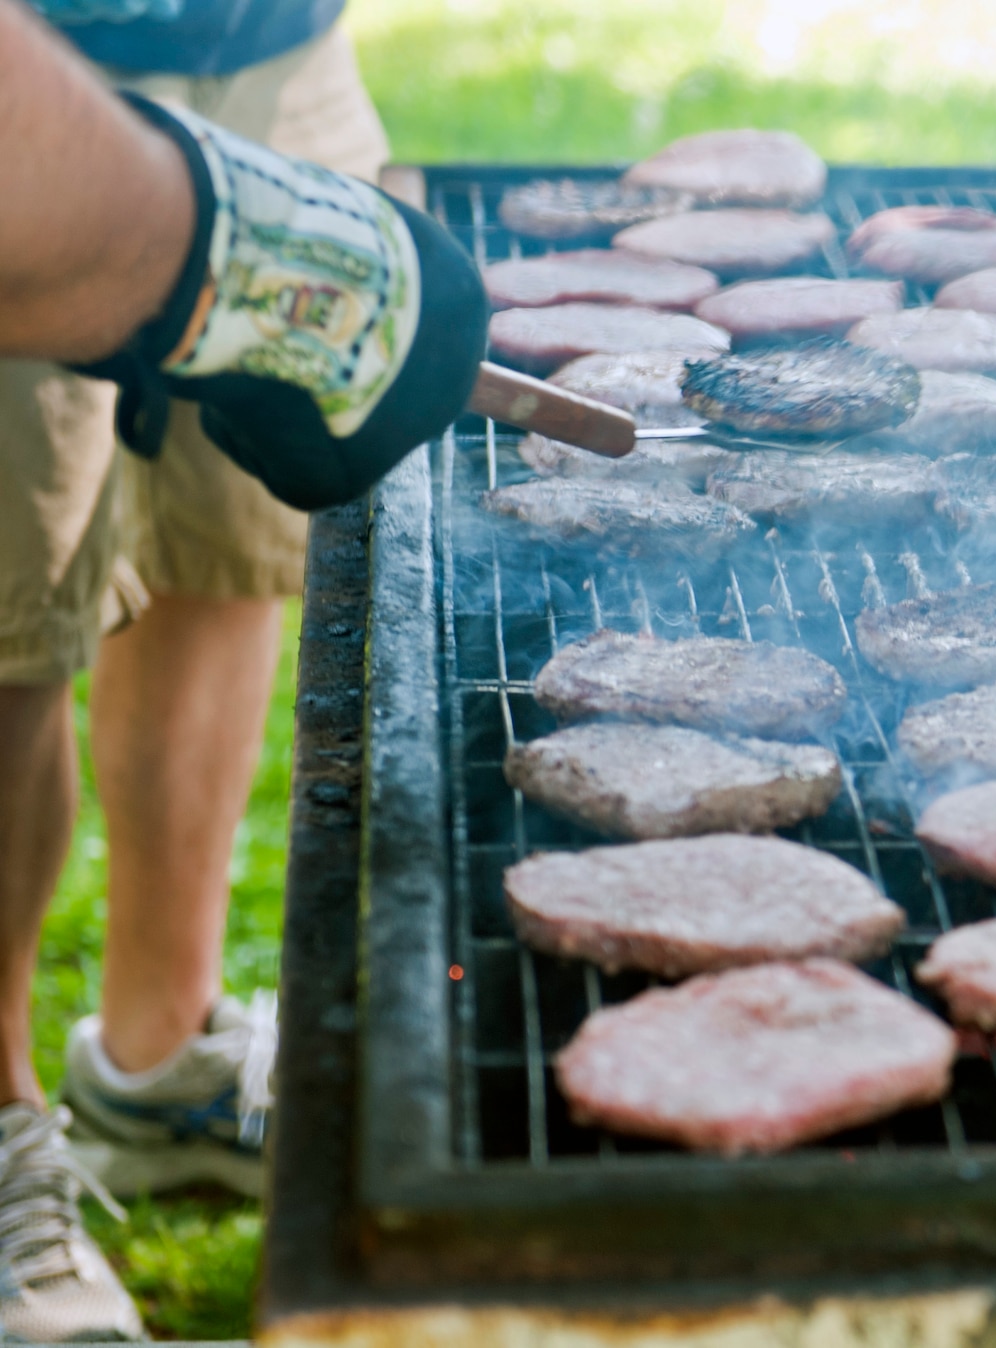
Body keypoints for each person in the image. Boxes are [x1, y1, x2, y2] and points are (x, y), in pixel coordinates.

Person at [0, 1, 484, 1336]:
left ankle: (160, 1063)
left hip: (268, 48)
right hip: (26, 79)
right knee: (6, 621)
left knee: (231, 541)